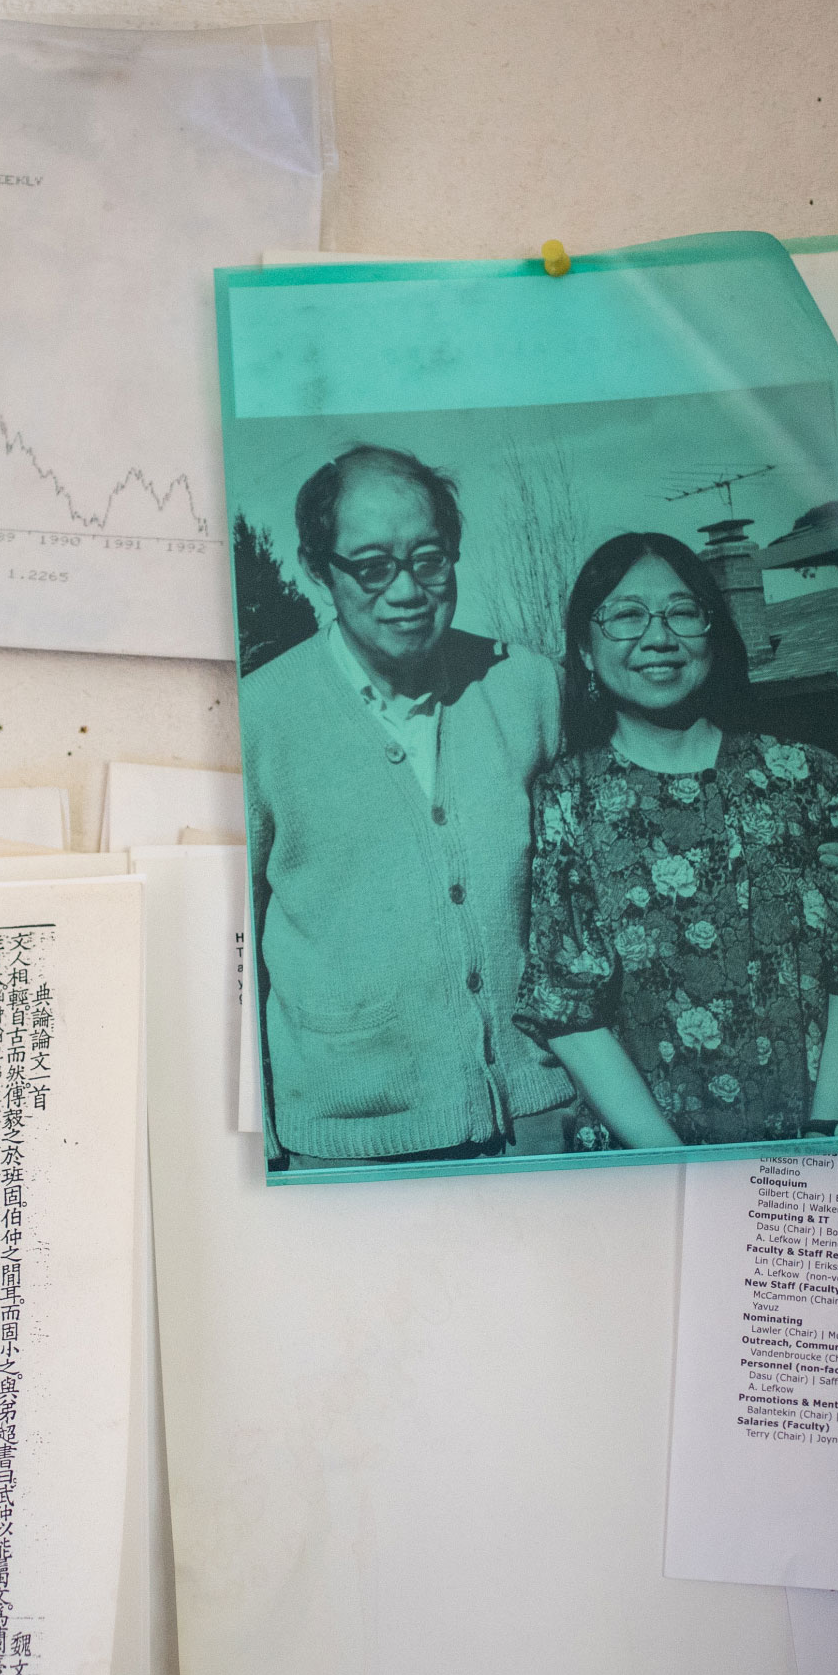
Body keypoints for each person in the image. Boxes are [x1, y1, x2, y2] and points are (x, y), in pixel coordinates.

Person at [239, 444, 574, 1168]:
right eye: (372, 566)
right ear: (315, 568)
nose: (406, 590)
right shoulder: (257, 719)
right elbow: (224, 955)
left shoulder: (530, 688)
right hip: (348, 1145)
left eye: (430, 558)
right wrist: (254, 1145)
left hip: (540, 1123)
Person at [516, 531, 838, 1150]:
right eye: (626, 615)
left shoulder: (803, 776)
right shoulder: (564, 801)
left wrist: (829, 1128)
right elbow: (568, 1007)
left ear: (713, 633)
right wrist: (671, 1160)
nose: (658, 637)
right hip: (648, 1159)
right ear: (583, 646)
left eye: (682, 612)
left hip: (816, 1140)